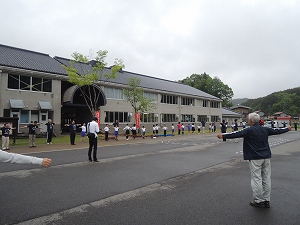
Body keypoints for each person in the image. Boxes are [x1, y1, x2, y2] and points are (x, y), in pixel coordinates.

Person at [217, 112, 291, 208]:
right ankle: (266, 200)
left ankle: (258, 200)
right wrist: (287, 129)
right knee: (266, 179)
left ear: (251, 121)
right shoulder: (265, 129)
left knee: (257, 179)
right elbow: (277, 131)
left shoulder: (249, 130)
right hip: (266, 157)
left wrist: (223, 135)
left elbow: (236, 134)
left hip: (255, 158)